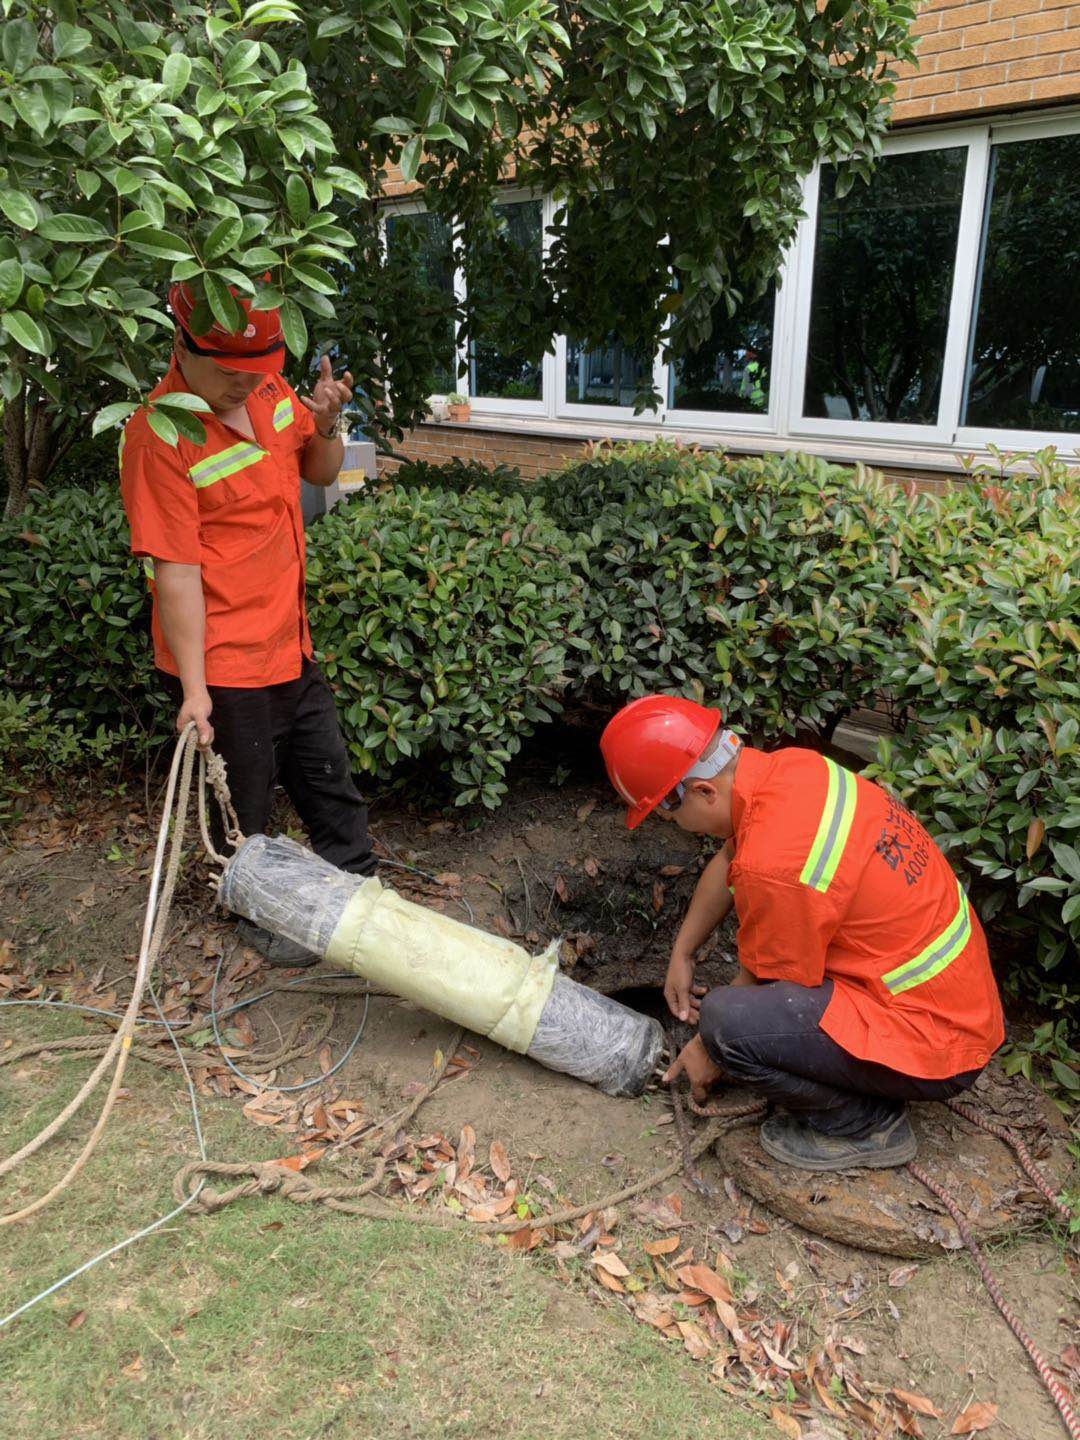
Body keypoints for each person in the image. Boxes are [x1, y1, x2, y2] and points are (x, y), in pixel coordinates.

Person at [600, 695, 1005, 1170]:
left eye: (671, 815)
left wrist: (709, 1049)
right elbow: (732, 855)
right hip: (947, 1000)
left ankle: (865, 1125)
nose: (678, 827)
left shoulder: (777, 864)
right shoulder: (790, 771)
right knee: (733, 1022)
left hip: (935, 1040)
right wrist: (683, 952)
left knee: (727, 1021)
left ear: (705, 792)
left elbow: (775, 986)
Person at [119, 283, 376, 964]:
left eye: (254, 374)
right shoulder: (158, 435)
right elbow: (175, 571)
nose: (243, 387)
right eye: (229, 373)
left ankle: (365, 902)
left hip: (290, 643)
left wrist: (324, 424)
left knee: (332, 786)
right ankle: (249, 911)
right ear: (184, 346)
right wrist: (196, 693)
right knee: (245, 807)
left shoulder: (266, 393)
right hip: (227, 662)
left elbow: (318, 471)